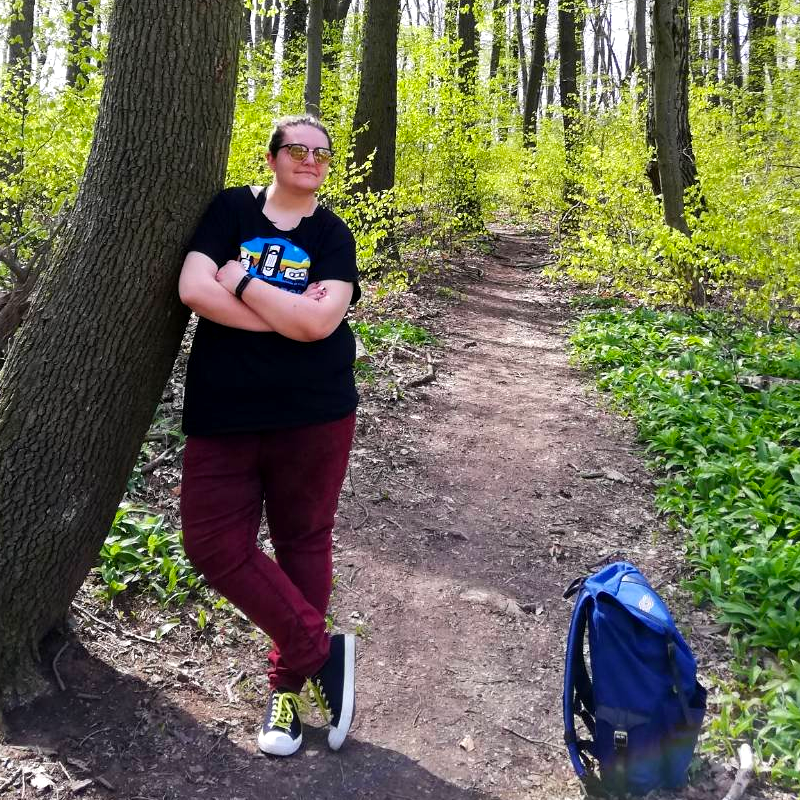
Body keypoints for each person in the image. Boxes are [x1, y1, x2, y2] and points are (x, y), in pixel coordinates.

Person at [178, 114, 359, 757]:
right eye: (298, 149)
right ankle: (320, 652)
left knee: (302, 541)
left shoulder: (333, 235)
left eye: (321, 152)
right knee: (210, 543)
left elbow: (323, 324)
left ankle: (286, 688)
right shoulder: (231, 209)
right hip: (223, 410)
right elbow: (193, 287)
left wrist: (248, 284)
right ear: (274, 156)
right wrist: (288, 316)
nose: (311, 159)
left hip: (315, 413)